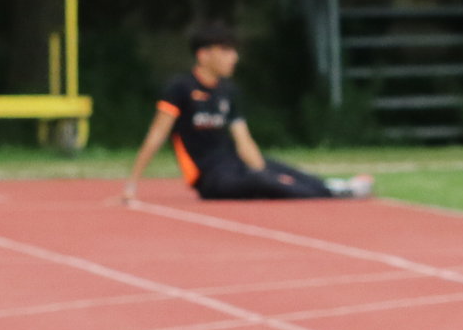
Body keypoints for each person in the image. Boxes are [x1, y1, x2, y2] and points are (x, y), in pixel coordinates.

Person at [124, 25, 373, 203]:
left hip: (234, 162)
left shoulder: (229, 91)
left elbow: (243, 139)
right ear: (204, 54)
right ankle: (332, 194)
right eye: (226, 51)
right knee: (264, 182)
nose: (234, 57)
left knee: (280, 169)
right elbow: (157, 134)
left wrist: (261, 168)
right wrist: (132, 183)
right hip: (210, 177)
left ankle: (336, 187)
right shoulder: (180, 88)